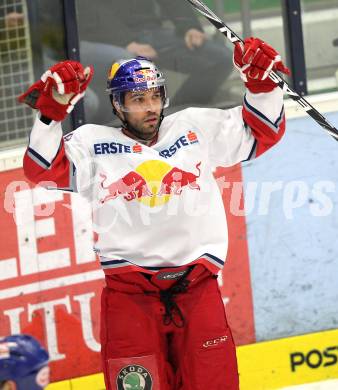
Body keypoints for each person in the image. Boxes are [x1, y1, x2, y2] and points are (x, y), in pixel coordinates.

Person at [18, 37, 289, 389]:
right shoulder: (92, 143)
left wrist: (262, 87)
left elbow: (262, 132)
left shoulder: (193, 128)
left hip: (198, 292)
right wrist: (49, 116)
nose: (150, 107)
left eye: (155, 97)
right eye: (138, 100)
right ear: (117, 104)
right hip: (130, 302)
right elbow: (41, 170)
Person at [77, 0, 234, 123]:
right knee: (133, 65)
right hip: (105, 36)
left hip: (151, 31)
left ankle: (177, 117)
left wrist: (189, 26)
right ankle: (133, 129)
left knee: (221, 58)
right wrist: (126, 41)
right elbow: (88, 7)